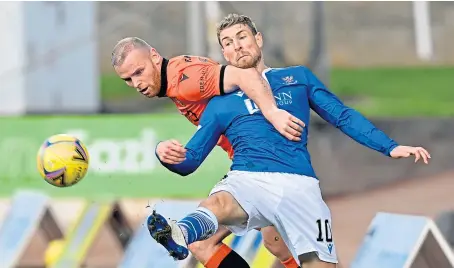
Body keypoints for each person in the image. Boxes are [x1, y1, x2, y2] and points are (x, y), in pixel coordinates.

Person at [151, 14, 431, 268]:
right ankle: (179, 232)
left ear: (258, 39)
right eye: (228, 42)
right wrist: (165, 154)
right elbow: (190, 161)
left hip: (298, 185)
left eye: (242, 37)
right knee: (216, 206)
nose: (236, 46)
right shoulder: (219, 104)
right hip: (248, 180)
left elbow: (342, 115)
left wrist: (390, 146)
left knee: (292, 252)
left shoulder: (296, 78)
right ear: (223, 53)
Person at [111, 36, 306, 268]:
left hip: (263, 164)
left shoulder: (186, 78)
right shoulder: (176, 79)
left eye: (139, 72)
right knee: (277, 243)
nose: (136, 83)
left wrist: (272, 113)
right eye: (128, 79)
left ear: (154, 56)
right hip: (264, 160)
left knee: (202, 241)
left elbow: (244, 75)